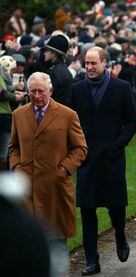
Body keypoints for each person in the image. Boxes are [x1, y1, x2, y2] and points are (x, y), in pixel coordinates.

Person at [71, 46, 136, 275]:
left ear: (104, 63)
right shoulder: (77, 90)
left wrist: (118, 145)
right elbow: (71, 122)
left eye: (93, 63)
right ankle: (93, 260)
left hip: (112, 158)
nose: (89, 67)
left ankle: (120, 236)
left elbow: (132, 121)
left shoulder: (121, 88)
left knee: (116, 208)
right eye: (86, 63)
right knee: (88, 210)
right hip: (87, 159)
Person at [8, 71, 87, 246]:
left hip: (55, 187)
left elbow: (80, 148)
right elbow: (13, 147)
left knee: (56, 242)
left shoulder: (68, 115)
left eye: (41, 91)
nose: (37, 96)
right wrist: (17, 168)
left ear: (50, 91)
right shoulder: (18, 115)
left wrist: (64, 169)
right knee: (29, 241)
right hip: (27, 187)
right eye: (33, 91)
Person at [0, 56, 25, 171]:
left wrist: (15, 87)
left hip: (3, 115)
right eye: (11, 69)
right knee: (4, 150)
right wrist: (16, 97)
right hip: (3, 116)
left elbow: (4, 89)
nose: (12, 72)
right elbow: (3, 94)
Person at [43, 34, 73, 106]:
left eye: (47, 51)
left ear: (54, 53)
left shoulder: (54, 73)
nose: (44, 53)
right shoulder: (62, 69)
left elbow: (47, 97)